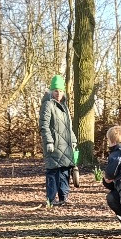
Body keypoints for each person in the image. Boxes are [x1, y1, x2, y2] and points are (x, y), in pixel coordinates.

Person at [39, 74, 76, 208]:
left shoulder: (64, 106)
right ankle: (51, 199)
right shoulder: (47, 105)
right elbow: (44, 125)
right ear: (51, 91)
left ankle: (63, 198)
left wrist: (73, 140)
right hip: (53, 146)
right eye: (56, 90)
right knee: (53, 173)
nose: (58, 93)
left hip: (65, 145)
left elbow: (69, 127)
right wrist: (48, 141)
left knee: (65, 172)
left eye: (60, 90)